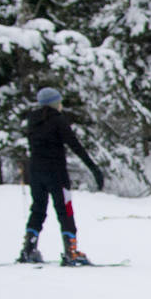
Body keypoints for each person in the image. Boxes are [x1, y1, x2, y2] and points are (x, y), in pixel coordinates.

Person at [20, 86, 107, 265]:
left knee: (38, 209)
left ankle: (28, 249)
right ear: (55, 103)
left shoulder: (32, 121)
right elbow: (76, 146)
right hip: (56, 173)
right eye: (59, 102)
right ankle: (71, 251)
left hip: (35, 173)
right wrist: (94, 169)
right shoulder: (58, 121)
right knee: (65, 210)